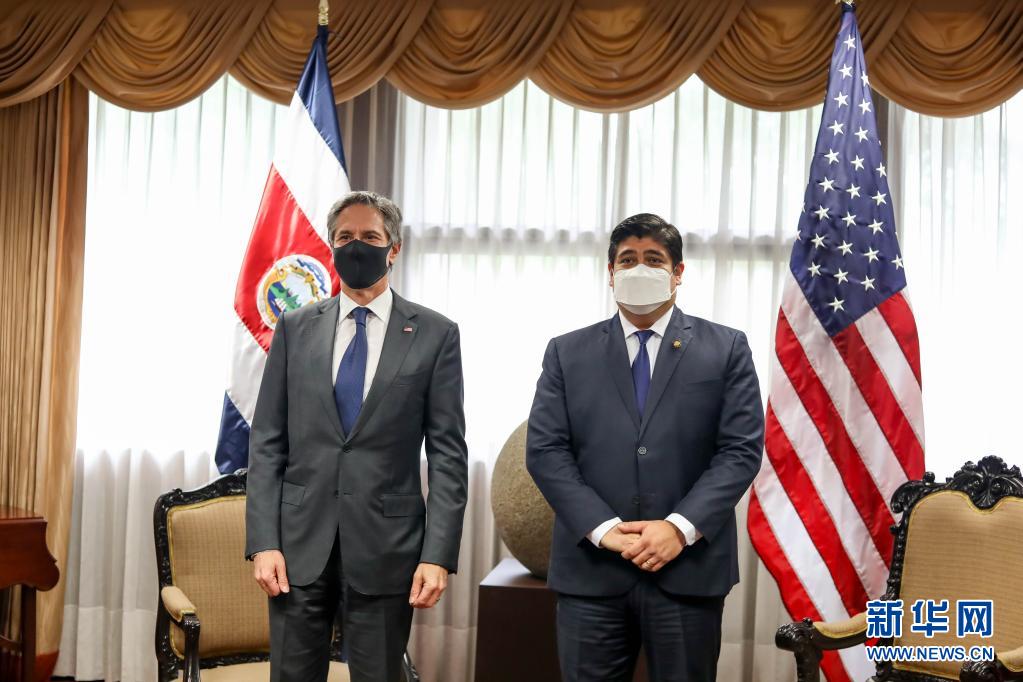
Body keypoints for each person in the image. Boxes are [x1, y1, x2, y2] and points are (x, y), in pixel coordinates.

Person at [526, 213, 764, 682]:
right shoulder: (566, 352)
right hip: (592, 571)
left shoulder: (726, 348)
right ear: (610, 272)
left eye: (653, 259)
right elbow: (546, 451)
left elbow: (739, 451)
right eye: (627, 259)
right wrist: (603, 529)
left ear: (678, 272)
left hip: (687, 571)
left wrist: (678, 528)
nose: (639, 268)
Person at [245, 191, 469, 682]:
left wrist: (437, 556)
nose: (356, 246)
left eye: (370, 236)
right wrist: (263, 543)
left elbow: (449, 456)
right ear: (331, 246)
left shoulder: (435, 334)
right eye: (345, 237)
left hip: (387, 549)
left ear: (394, 248)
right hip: (297, 549)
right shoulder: (295, 328)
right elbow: (266, 444)